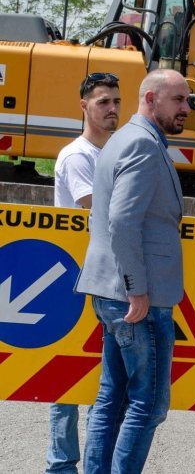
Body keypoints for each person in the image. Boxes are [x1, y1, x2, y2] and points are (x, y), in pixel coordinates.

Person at [74, 69, 191, 474]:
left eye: (187, 100)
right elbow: (122, 222)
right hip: (138, 298)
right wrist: (137, 289)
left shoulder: (126, 137)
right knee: (148, 404)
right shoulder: (142, 143)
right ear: (150, 98)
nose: (186, 109)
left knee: (112, 397)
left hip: (113, 291)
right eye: (178, 100)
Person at [46, 73, 121, 473]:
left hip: (101, 275)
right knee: (68, 380)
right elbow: (100, 211)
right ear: (84, 106)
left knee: (100, 378)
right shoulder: (78, 157)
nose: (112, 109)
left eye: (116, 102)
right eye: (103, 102)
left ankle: (94, 462)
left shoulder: (111, 154)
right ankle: (61, 465)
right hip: (76, 277)